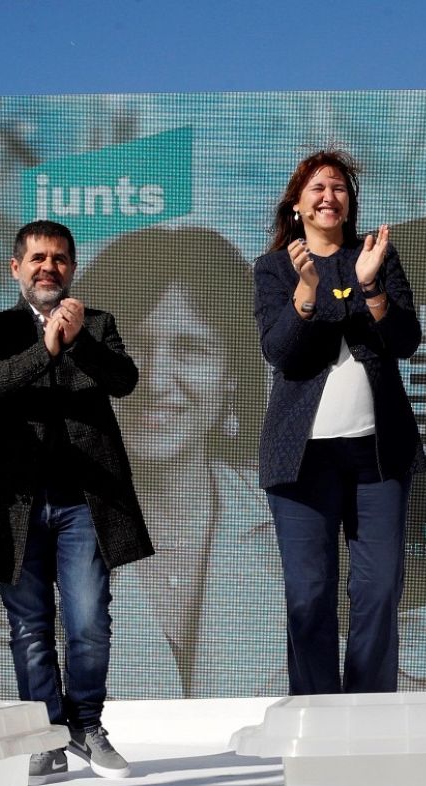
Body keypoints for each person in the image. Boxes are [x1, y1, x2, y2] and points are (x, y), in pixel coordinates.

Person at [0, 219, 154, 784]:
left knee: (88, 622)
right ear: (15, 268)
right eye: (37, 258)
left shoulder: (99, 324)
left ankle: (87, 725)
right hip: (14, 502)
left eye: (60, 259)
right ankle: (46, 737)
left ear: (72, 268)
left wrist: (78, 338)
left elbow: (124, 382)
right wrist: (46, 347)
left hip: (84, 504)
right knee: (29, 627)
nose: (48, 268)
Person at [71, 227, 287, 698]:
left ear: (232, 376)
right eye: (133, 347)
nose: (155, 379)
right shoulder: (36, 525)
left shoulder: (290, 525)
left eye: (192, 350)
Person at [253, 148, 425, 695]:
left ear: (350, 204)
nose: (330, 197)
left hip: (378, 454)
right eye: (317, 189)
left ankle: (369, 715)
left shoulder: (376, 256)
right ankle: (316, 714)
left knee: (378, 591)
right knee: (309, 592)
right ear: (297, 206)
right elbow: (282, 354)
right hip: (302, 458)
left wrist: (370, 287)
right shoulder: (274, 268)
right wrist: (306, 294)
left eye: (339, 188)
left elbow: (405, 341)